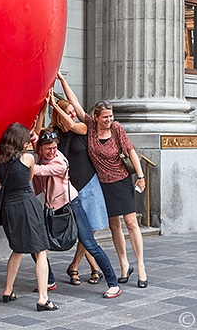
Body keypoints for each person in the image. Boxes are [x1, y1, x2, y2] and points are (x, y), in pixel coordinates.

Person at [57, 72, 148, 288]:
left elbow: (131, 151)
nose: (109, 120)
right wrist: (62, 80)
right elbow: (75, 103)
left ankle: (141, 267)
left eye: (111, 116)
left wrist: (141, 176)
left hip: (122, 181)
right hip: (103, 184)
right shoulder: (88, 127)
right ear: (96, 117)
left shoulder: (116, 129)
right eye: (105, 117)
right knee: (114, 225)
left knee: (131, 223)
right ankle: (124, 265)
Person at [32, 129, 122, 298]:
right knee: (34, 242)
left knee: (90, 244)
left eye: (54, 147)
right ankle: (49, 280)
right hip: (53, 208)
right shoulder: (42, 152)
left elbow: (37, 170)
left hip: (72, 206)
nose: (52, 151)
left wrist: (21, 161)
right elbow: (35, 139)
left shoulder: (58, 162)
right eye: (48, 149)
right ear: (41, 149)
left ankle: (113, 284)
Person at [0, 122, 59, 311]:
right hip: (26, 204)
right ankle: (43, 298)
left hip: (8, 207)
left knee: (17, 249)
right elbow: (27, 181)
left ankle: (8, 290)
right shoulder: (28, 158)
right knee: (40, 250)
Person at [45, 93, 109, 286]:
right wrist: (46, 108)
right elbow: (40, 130)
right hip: (68, 187)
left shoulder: (82, 128)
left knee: (92, 228)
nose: (73, 114)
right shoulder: (54, 133)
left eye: (73, 111)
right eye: (69, 112)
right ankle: (89, 266)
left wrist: (55, 105)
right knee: (82, 230)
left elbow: (72, 125)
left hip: (89, 182)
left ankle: (75, 265)